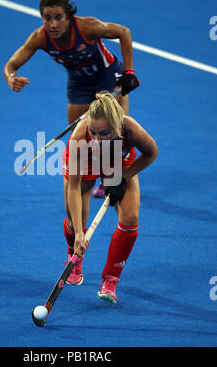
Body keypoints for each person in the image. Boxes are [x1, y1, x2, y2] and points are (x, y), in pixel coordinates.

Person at [3, 0, 140, 197]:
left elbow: (124, 32)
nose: (53, 24)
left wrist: (129, 72)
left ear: (69, 16)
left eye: (58, 17)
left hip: (108, 77)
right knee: (81, 137)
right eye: (47, 18)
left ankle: (113, 178)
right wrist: (11, 78)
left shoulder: (87, 27)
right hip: (79, 85)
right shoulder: (40, 38)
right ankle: (89, 175)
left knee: (115, 132)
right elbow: (11, 65)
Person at [62, 91, 157, 304]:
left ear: (115, 126)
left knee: (130, 218)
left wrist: (124, 176)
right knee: (76, 217)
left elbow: (151, 153)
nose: (96, 139)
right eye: (93, 132)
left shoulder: (131, 129)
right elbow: (74, 187)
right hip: (86, 160)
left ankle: (110, 280)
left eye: (103, 133)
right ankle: (74, 255)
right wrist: (79, 231)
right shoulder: (80, 138)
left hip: (118, 161)